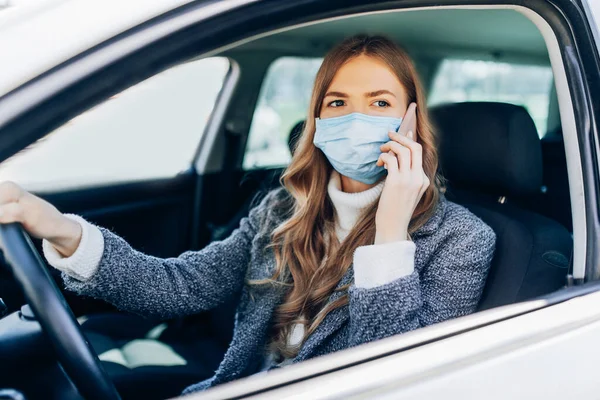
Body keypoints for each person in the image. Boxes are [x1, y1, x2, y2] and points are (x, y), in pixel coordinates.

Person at [0, 35, 495, 394]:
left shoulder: (462, 240)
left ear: (411, 121)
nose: (353, 118)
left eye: (379, 103)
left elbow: (390, 377)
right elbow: (180, 286)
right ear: (317, 118)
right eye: (337, 102)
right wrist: (58, 228)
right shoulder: (283, 208)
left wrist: (390, 229)